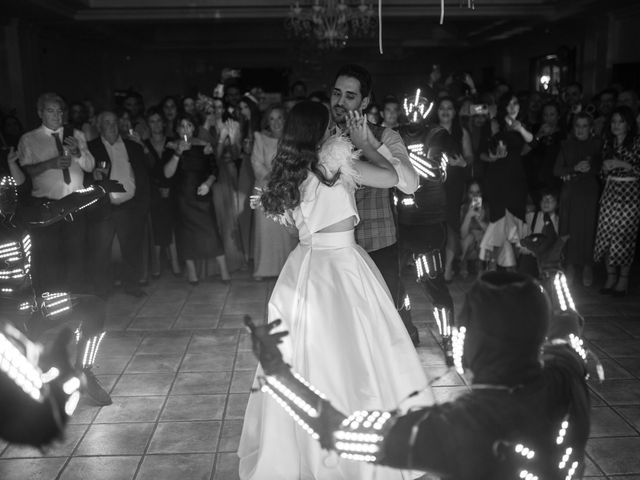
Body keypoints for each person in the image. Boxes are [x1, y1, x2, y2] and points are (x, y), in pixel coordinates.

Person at [246, 270, 591, 480]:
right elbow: (569, 322)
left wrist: (277, 372)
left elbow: (338, 432)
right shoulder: (568, 374)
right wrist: (552, 268)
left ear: (467, 342)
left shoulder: (452, 428)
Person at [238, 101, 429, 480]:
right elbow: (392, 179)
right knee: (358, 353)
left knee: (310, 357)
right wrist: (368, 143)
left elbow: (298, 228)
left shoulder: (288, 170)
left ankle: (302, 449)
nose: (337, 128)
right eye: (331, 123)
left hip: (304, 268)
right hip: (342, 266)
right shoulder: (337, 159)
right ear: (320, 129)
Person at [329, 64, 420, 344]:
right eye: (336, 94)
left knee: (384, 327)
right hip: (333, 250)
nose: (340, 102)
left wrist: (370, 145)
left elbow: (410, 184)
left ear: (365, 101)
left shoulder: (386, 137)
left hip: (377, 245)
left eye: (350, 96)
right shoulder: (319, 137)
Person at [18, 92, 95, 293]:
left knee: (76, 253)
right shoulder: (29, 139)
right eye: (51, 111)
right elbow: (27, 172)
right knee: (50, 255)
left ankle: (76, 296)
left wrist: (78, 153)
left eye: (60, 111)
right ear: (40, 113)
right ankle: (53, 299)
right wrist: (50, 164)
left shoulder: (75, 134)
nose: (57, 116)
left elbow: (89, 166)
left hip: (74, 202)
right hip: (47, 205)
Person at [87, 111, 151, 298]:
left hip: (130, 206)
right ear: (99, 127)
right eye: (107, 122)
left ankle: (132, 285)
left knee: (131, 248)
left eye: (114, 122)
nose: (112, 126)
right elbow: (84, 175)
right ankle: (102, 289)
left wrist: (142, 204)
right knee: (101, 250)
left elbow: (144, 174)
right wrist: (93, 177)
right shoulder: (91, 148)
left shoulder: (132, 146)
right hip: (103, 206)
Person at [164, 113, 230, 284]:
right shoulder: (171, 146)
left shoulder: (204, 146)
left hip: (202, 195)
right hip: (182, 197)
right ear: (177, 128)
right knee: (186, 235)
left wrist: (207, 184)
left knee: (211, 231)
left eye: (189, 125)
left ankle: (224, 272)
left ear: (195, 128)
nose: (185, 129)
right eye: (182, 126)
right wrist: (177, 154)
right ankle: (192, 274)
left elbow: (214, 169)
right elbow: (167, 174)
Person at [479, 94, 534, 270]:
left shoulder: (523, 124)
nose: (512, 107)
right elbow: (480, 152)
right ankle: (493, 265)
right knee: (498, 222)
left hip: (516, 179)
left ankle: (512, 267)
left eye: (516, 103)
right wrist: (492, 157)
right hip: (497, 178)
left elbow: (532, 141)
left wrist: (519, 129)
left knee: (516, 223)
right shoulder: (493, 123)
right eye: (509, 103)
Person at [593, 106, 640, 297]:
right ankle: (610, 276)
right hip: (611, 191)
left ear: (628, 124)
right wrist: (604, 169)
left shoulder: (637, 143)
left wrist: (623, 164)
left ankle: (623, 279)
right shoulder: (608, 143)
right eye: (613, 121)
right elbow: (602, 173)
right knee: (607, 234)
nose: (616, 125)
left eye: (620, 121)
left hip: (630, 193)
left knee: (625, 235)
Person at [554, 113, 602, 287]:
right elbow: (557, 170)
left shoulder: (597, 145)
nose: (580, 129)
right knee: (569, 227)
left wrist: (592, 166)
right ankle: (570, 265)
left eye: (584, 126)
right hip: (571, 191)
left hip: (589, 190)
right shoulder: (566, 145)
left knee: (588, 228)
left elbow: (602, 166)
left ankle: (588, 265)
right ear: (573, 128)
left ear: (591, 128)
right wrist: (573, 168)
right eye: (577, 126)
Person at [251, 104, 297, 280]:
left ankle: (287, 270)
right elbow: (256, 163)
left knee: (286, 230)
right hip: (265, 189)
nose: (276, 122)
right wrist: (273, 178)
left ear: (285, 119)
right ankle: (263, 269)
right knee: (266, 230)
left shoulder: (292, 139)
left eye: (279, 118)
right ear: (267, 121)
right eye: (272, 118)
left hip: (286, 189)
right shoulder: (260, 138)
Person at [459, 179, 489, 278]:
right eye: (471, 192)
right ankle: (463, 264)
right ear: (467, 194)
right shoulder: (463, 208)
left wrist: (479, 220)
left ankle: (480, 266)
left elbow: (490, 233)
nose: (475, 196)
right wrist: (468, 216)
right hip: (467, 247)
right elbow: (462, 235)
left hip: (482, 246)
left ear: (481, 193)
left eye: (478, 192)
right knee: (470, 237)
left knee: (481, 235)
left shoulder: (486, 207)